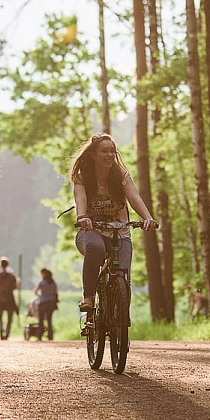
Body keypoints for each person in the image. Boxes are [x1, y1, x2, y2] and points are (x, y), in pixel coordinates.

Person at [70, 133, 158, 312]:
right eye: (104, 151)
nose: (109, 155)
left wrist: (147, 218)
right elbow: (81, 201)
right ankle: (88, 297)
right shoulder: (82, 177)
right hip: (91, 231)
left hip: (119, 233)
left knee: (123, 276)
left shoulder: (121, 176)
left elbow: (134, 198)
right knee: (96, 247)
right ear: (94, 154)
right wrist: (82, 218)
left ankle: (121, 318)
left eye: (112, 151)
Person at [0, 257, 19, 339]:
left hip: (0, 298)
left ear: (0, 265)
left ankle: (0, 330)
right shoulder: (12, 276)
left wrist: (0, 291)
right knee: (10, 317)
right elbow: (15, 287)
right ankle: (7, 333)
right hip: (10, 298)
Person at [34, 268, 59, 340]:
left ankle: (39, 336)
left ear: (44, 274)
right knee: (49, 320)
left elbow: (35, 292)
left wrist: (40, 296)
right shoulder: (53, 283)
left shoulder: (41, 282)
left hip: (42, 303)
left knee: (41, 320)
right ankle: (50, 336)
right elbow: (56, 293)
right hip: (51, 303)